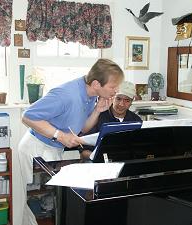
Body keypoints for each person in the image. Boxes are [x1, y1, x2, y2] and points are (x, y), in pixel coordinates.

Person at [17, 58, 124, 225]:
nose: (116, 91)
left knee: (52, 201)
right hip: (35, 147)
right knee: (32, 199)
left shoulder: (90, 96)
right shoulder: (66, 94)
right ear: (96, 84)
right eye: (112, 87)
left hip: (53, 148)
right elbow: (27, 116)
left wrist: (97, 111)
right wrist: (60, 135)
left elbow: (82, 128)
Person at [80, 81, 142, 159]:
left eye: (127, 100)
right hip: (100, 164)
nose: (121, 104)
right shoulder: (97, 117)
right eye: (118, 99)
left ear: (132, 102)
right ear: (112, 97)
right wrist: (97, 158)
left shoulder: (136, 121)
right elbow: (83, 151)